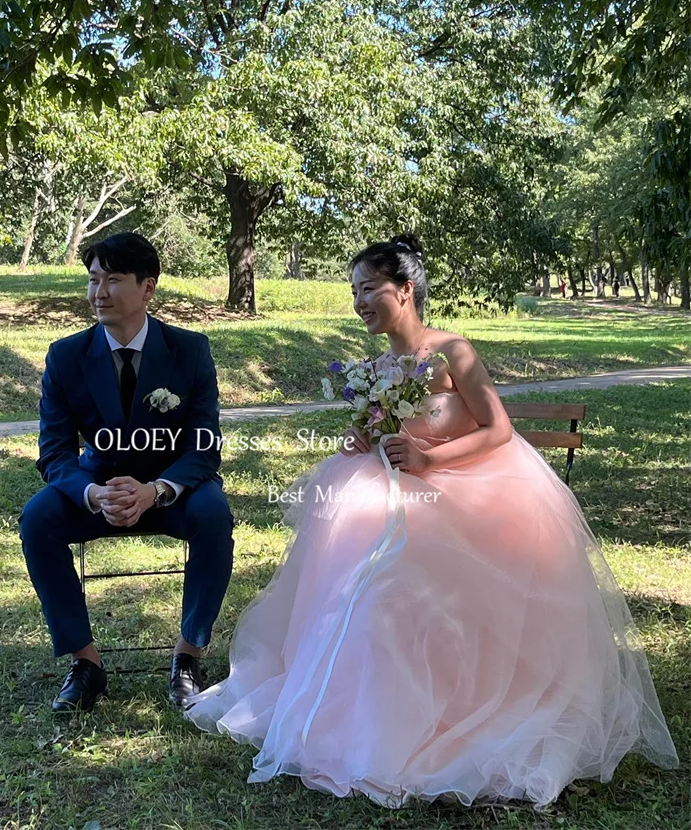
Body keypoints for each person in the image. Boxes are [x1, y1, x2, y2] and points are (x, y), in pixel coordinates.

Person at [185, 232, 678, 810]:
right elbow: (380, 434)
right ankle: (363, 721)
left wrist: (429, 459)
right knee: (363, 589)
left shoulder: (452, 352)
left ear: (405, 288)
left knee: (404, 586)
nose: (359, 301)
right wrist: (364, 437)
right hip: (392, 497)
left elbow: (498, 430)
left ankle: (452, 713)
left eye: (369, 288)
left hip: (471, 493)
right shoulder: (375, 367)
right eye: (353, 291)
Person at [19, 232, 234, 712]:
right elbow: (54, 454)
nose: (99, 293)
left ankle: (187, 657)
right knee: (38, 519)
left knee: (214, 515)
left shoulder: (190, 350)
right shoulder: (65, 356)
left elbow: (204, 446)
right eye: (94, 279)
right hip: (100, 491)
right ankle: (86, 663)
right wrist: (93, 494)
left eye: (113, 280)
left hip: (170, 490)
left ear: (148, 288)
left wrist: (156, 489)